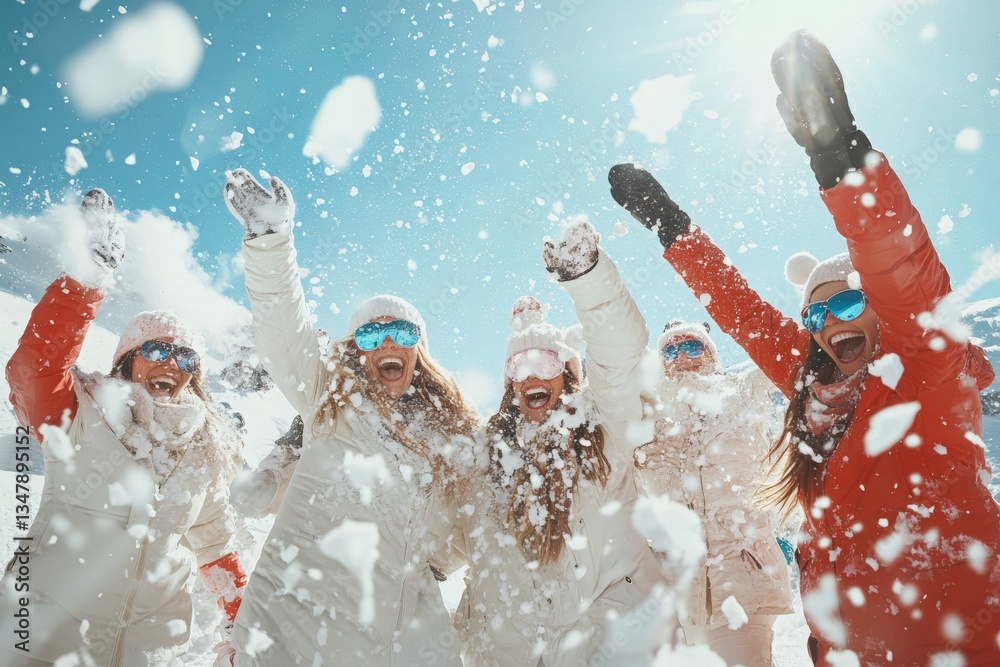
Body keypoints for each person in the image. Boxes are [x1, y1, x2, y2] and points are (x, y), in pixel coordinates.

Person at [607, 29, 1000, 665]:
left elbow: (900, 266)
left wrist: (840, 157)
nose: (827, 322)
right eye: (816, 312)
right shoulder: (816, 390)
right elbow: (740, 312)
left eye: (848, 303)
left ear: (883, 313)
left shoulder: (928, 369)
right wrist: (671, 227)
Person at [222, 169, 480, 666]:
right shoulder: (329, 404)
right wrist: (272, 245)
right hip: (301, 627)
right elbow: (283, 333)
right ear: (355, 354)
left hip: (405, 629)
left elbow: (473, 514)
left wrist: (439, 564)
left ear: (419, 351)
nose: (386, 343)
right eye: (369, 336)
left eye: (402, 335)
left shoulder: (450, 433)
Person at [1, 190, 247, 667]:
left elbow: (217, 549)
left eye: (186, 358)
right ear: (128, 361)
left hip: (149, 650)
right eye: (156, 350)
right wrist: (85, 284)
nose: (171, 364)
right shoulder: (79, 414)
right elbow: (34, 370)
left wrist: (243, 621)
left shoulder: (205, 451)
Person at [450, 219, 666, 666]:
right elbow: (459, 534)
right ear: (508, 382)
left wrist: (590, 282)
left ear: (566, 373)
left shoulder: (604, 429)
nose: (531, 375)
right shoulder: (488, 454)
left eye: (545, 361)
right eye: (518, 366)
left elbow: (619, 356)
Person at [635, 319, 793, 666]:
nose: (682, 356)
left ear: (711, 353)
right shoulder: (649, 419)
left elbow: (791, 354)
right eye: (670, 350)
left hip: (741, 577)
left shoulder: (745, 391)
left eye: (693, 346)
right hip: (674, 591)